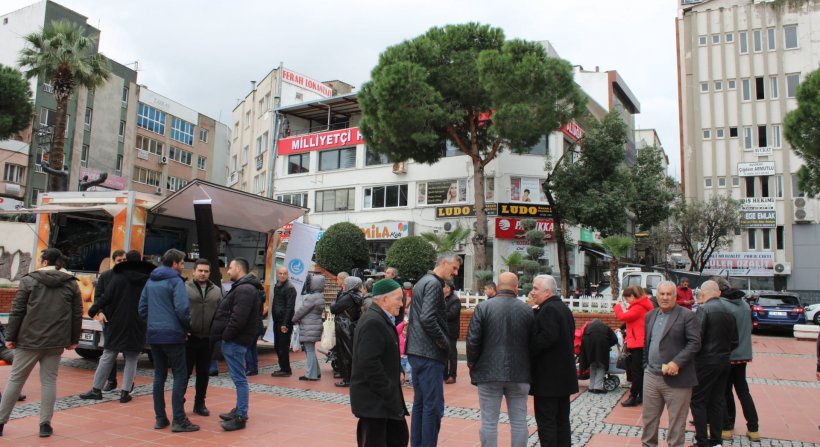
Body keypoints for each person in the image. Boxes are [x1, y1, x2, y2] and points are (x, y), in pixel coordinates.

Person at [0, 248, 82, 438]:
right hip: (56, 341)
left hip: (28, 340)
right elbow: (76, 313)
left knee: (16, 380)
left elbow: (17, 310)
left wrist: (10, 337)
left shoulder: (29, 280)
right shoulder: (71, 283)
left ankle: (1, 421)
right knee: (49, 382)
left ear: (44, 262)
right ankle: (45, 424)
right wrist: (74, 339)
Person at [466, 272, 533, 447]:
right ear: (516, 288)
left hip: (488, 371)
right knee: (519, 421)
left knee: (489, 422)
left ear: (497, 287)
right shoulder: (527, 310)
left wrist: (472, 363)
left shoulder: (483, 307)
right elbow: (534, 343)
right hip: (520, 372)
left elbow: (473, 340)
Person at [80, 250, 154, 404]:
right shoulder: (148, 280)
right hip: (138, 323)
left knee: (108, 354)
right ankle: (125, 392)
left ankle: (96, 390)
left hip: (117, 321)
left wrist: (94, 310)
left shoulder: (119, 277)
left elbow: (106, 297)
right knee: (132, 358)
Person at [138, 248, 198, 433]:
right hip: (173, 335)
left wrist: (153, 323)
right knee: (180, 375)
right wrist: (187, 327)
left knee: (159, 376)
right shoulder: (175, 281)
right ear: (174, 263)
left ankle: (160, 418)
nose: (183, 266)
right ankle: (179, 419)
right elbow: (182, 309)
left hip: (154, 334)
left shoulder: (150, 281)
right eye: (182, 263)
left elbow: (142, 309)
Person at [406, 252, 461, 447]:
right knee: (433, 407)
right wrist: (444, 342)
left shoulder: (423, 281)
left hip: (417, 351)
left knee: (421, 404)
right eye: (454, 268)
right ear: (443, 263)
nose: (455, 273)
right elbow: (428, 318)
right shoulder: (433, 284)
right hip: (428, 353)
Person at [641, 280, 701, 447]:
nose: (665, 297)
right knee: (649, 420)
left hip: (678, 378)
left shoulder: (687, 316)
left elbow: (695, 343)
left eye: (669, 294)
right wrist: (646, 365)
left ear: (675, 296)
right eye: (662, 294)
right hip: (651, 376)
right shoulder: (650, 315)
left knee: (676, 423)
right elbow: (647, 342)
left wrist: (676, 363)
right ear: (657, 295)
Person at [350, 279, 409, 447]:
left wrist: (398, 370)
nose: (402, 304)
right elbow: (369, 363)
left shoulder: (381, 318)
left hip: (383, 401)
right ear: (384, 299)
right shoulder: (373, 321)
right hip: (375, 403)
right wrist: (388, 389)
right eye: (398, 299)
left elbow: (385, 352)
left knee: (398, 437)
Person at [211, 257, 262, 431]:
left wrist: (226, 336)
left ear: (239, 269)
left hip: (235, 341)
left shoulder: (245, 289)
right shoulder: (244, 287)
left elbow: (238, 318)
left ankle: (241, 415)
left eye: (230, 268)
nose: (228, 271)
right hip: (235, 340)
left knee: (240, 379)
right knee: (239, 378)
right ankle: (239, 409)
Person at [529, 274, 578, 447]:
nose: (532, 292)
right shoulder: (562, 308)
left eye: (535, 288)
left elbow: (546, 338)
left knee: (547, 422)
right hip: (562, 378)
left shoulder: (548, 310)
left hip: (548, 380)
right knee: (561, 421)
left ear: (547, 292)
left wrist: (529, 346)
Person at [690, 280, 737, 447]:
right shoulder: (729, 311)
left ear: (703, 294)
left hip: (706, 362)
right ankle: (716, 440)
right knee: (717, 401)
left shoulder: (704, 310)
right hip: (724, 361)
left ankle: (702, 440)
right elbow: (735, 341)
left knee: (698, 401)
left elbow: (697, 338)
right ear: (719, 293)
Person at [714, 276, 760, 442]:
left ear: (718, 290)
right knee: (743, 391)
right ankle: (753, 428)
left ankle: (726, 427)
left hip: (727, 354)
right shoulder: (744, 304)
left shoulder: (721, 306)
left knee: (723, 391)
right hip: (743, 355)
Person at [184, 258, 222, 416]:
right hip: (188, 338)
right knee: (184, 373)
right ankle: (179, 403)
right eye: (200, 270)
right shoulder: (185, 288)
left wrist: (216, 332)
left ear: (210, 273)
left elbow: (221, 313)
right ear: (193, 271)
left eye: (206, 271)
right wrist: (183, 329)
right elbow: (177, 310)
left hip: (207, 339)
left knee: (203, 373)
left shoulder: (216, 291)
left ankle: (200, 403)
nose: (203, 274)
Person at [613, 285, 654, 407]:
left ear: (633, 296)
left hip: (638, 343)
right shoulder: (643, 306)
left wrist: (617, 307)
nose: (626, 301)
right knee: (640, 371)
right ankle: (641, 396)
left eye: (627, 298)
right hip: (640, 342)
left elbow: (622, 317)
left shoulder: (638, 307)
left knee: (636, 372)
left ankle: (633, 396)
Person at [93, 249, 126, 392]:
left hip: (126, 319)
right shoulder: (106, 276)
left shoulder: (130, 277)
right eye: (119, 261)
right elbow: (98, 297)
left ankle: (128, 383)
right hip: (109, 319)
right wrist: (100, 312)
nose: (122, 263)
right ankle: (111, 380)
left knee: (128, 352)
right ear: (113, 261)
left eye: (124, 260)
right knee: (109, 350)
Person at [331, 276, 364, 387]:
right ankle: (351, 377)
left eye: (345, 283)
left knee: (345, 353)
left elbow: (333, 308)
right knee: (349, 352)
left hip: (344, 327)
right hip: (350, 326)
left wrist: (333, 303)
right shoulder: (357, 295)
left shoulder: (347, 297)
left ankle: (347, 379)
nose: (343, 285)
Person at [293, 274, 325, 381]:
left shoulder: (312, 297)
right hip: (314, 325)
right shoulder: (320, 296)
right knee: (310, 349)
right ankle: (316, 372)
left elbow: (302, 310)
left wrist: (293, 319)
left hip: (309, 326)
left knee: (309, 350)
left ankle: (311, 374)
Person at [578, 318, 618, 394]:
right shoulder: (605, 327)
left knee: (593, 366)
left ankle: (591, 387)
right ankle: (598, 387)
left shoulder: (588, 327)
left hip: (589, 350)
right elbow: (615, 339)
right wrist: (608, 345)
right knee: (601, 366)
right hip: (601, 349)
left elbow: (583, 339)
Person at [270, 267, 297, 377]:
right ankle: (283, 367)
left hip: (284, 322)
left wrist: (285, 324)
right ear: (277, 274)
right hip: (277, 320)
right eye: (280, 273)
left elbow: (289, 308)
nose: (282, 275)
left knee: (282, 346)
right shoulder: (277, 286)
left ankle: (285, 369)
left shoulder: (290, 288)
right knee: (277, 345)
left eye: (284, 273)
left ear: (287, 275)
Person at [443, 280, 460, 384]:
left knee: (452, 354)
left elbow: (452, 315)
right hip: (442, 330)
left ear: (448, 288)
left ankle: (452, 375)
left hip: (451, 331)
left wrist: (439, 313)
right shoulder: (441, 298)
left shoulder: (455, 300)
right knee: (443, 353)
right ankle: (444, 375)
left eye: (443, 286)